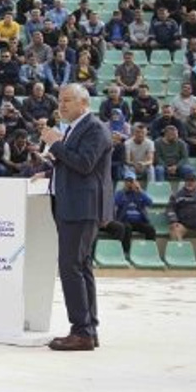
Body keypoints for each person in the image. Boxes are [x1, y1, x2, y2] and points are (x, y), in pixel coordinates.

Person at [40, 84, 113, 351]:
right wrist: (49, 173)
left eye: (68, 100)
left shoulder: (94, 128)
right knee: (80, 267)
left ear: (84, 103)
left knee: (71, 266)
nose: (62, 105)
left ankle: (81, 331)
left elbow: (84, 164)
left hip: (82, 207)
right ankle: (88, 328)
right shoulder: (76, 128)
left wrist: (56, 144)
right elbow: (74, 166)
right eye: (60, 100)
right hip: (73, 204)